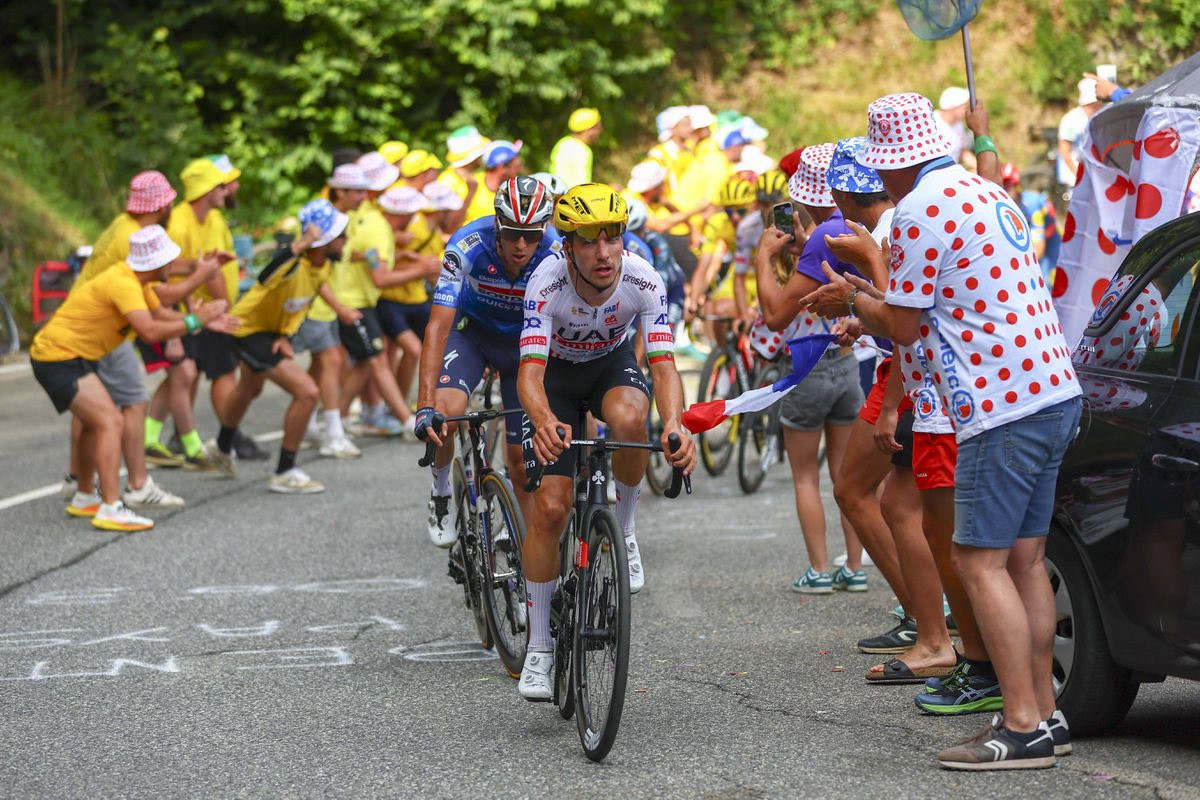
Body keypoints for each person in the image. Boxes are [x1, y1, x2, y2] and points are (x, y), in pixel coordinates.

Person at [801, 92, 1082, 769]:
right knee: (1022, 563)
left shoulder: (923, 208)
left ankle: (1018, 725)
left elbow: (901, 324)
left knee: (979, 563)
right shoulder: (983, 191)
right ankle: (1046, 716)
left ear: (893, 165)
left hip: (999, 404)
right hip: (1050, 391)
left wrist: (852, 300)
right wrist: (870, 304)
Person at [515, 182, 696, 700]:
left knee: (632, 419)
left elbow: (662, 363)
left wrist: (676, 423)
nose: (604, 253)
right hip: (555, 379)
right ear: (567, 245)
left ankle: (625, 528)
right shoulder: (546, 284)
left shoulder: (643, 277)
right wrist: (546, 419)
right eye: (590, 241)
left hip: (610, 368)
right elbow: (527, 375)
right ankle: (541, 647)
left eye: (613, 238)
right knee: (550, 510)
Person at [31, 225, 236, 531]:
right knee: (110, 421)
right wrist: (195, 319)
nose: (172, 267)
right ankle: (111, 507)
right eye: (169, 261)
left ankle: (86, 496)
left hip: (71, 355)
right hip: (58, 357)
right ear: (154, 264)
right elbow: (150, 331)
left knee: (91, 424)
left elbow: (161, 316)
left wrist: (203, 323)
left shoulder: (135, 281)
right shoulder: (124, 283)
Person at [413, 176, 562, 545]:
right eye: (512, 233)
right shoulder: (466, 245)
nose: (522, 245)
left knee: (519, 460)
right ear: (497, 223)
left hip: (525, 347)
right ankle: (442, 490)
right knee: (445, 415)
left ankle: (528, 553)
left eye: (532, 234)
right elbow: (437, 329)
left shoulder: (558, 252)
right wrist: (424, 404)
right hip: (473, 335)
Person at [754, 143, 867, 594]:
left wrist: (764, 257)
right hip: (845, 364)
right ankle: (854, 567)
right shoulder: (851, 230)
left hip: (805, 367)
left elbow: (774, 314)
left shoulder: (806, 247)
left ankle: (819, 570)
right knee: (846, 476)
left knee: (805, 476)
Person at [64, 171, 188, 513]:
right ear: (163, 205)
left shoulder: (122, 225)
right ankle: (136, 485)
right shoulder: (133, 238)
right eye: (171, 201)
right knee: (132, 401)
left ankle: (80, 481)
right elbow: (153, 293)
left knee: (89, 408)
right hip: (104, 325)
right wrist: (185, 322)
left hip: (83, 323)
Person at [205, 201, 345, 493]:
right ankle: (284, 470)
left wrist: (286, 336)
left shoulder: (324, 267)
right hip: (246, 329)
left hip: (269, 332)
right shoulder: (293, 264)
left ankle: (221, 446)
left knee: (249, 388)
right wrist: (299, 244)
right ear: (324, 241)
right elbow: (267, 274)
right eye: (340, 235)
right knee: (307, 393)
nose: (345, 240)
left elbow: (300, 307)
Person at [160, 156, 267, 462]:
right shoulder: (179, 224)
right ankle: (224, 436)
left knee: (203, 373)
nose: (228, 188)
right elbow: (174, 272)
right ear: (206, 190)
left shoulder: (215, 219)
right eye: (220, 185)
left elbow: (221, 263)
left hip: (214, 309)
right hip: (196, 310)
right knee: (203, 373)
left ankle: (194, 435)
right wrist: (215, 310)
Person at [293, 163, 372, 458]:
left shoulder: (339, 217)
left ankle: (311, 426)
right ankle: (333, 434)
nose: (363, 196)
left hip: (324, 305)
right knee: (330, 362)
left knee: (321, 366)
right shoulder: (323, 217)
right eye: (357, 191)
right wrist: (340, 308)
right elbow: (314, 274)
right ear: (339, 190)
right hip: (314, 307)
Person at [376, 185, 443, 412]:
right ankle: (395, 410)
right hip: (389, 301)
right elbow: (380, 275)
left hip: (415, 299)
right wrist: (420, 267)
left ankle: (418, 404)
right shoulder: (386, 230)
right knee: (410, 351)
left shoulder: (421, 232)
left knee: (439, 344)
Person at [1057, 78, 1105, 191]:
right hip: (1075, 178)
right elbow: (1064, 150)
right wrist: (1077, 173)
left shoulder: (1100, 116)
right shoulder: (1071, 119)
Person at [463, 140, 524, 224]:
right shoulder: (468, 186)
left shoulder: (517, 189)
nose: (520, 168)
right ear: (502, 167)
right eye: (516, 165)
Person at [549, 107, 602, 188]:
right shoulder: (582, 151)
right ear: (589, 130)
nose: (601, 130)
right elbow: (582, 187)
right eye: (598, 127)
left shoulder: (562, 143)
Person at [936, 87, 971, 164]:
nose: (967, 110)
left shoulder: (958, 124)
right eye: (964, 107)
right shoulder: (934, 125)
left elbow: (962, 152)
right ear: (953, 107)